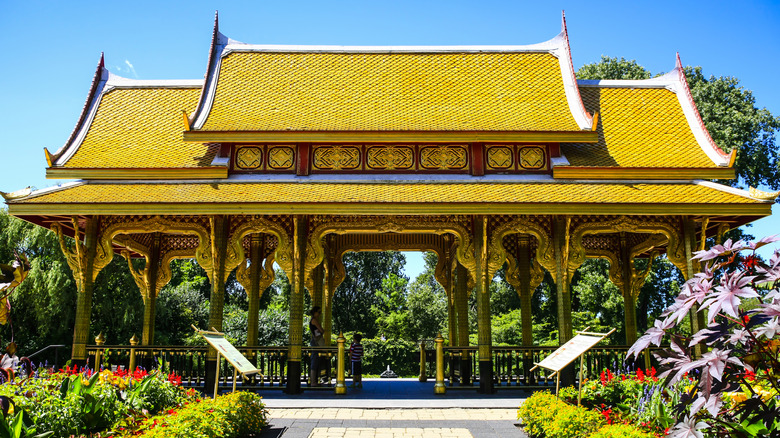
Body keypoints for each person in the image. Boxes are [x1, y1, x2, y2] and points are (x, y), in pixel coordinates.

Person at [309, 306, 325, 386]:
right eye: (319, 312)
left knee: (316, 360)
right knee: (315, 360)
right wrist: (321, 331)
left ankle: (315, 379)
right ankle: (313, 381)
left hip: (315, 341)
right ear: (315, 312)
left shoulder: (313, 320)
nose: (319, 314)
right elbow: (322, 330)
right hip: (316, 342)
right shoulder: (314, 320)